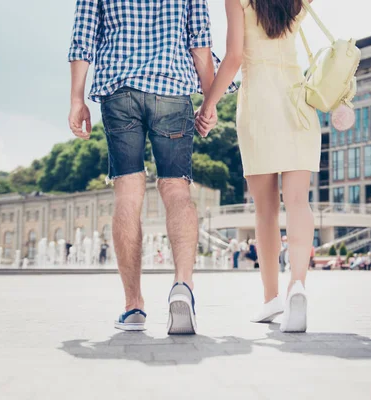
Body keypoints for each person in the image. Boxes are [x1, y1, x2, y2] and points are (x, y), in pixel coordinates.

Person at [67, 0, 235, 334]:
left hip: (119, 91)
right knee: (176, 188)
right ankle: (183, 288)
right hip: (172, 89)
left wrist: (76, 99)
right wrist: (209, 101)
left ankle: (133, 308)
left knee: (128, 194)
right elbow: (200, 45)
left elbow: (82, 38)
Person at [196, 0, 321, 332]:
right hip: (299, 100)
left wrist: (209, 103)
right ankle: (298, 285)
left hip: (259, 103)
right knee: (298, 202)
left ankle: (271, 299)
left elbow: (234, 57)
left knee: (265, 210)